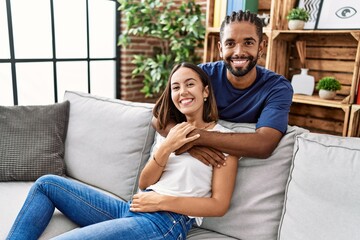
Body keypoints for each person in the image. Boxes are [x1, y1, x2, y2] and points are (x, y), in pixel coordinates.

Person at [6, 63, 238, 240]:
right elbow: (145, 182)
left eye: (190, 84)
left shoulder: (224, 138)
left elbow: (219, 205)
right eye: (175, 87)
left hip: (167, 221)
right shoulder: (169, 130)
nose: (182, 92)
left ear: (205, 91)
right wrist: (167, 146)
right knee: (47, 184)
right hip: (133, 207)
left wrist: (161, 202)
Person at [153, 10, 293, 167]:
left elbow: (264, 144)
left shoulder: (277, 87)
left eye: (248, 43)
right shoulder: (201, 75)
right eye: (230, 43)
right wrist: (187, 146)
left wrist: (194, 138)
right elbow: (159, 117)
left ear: (261, 47)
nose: (239, 52)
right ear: (220, 49)